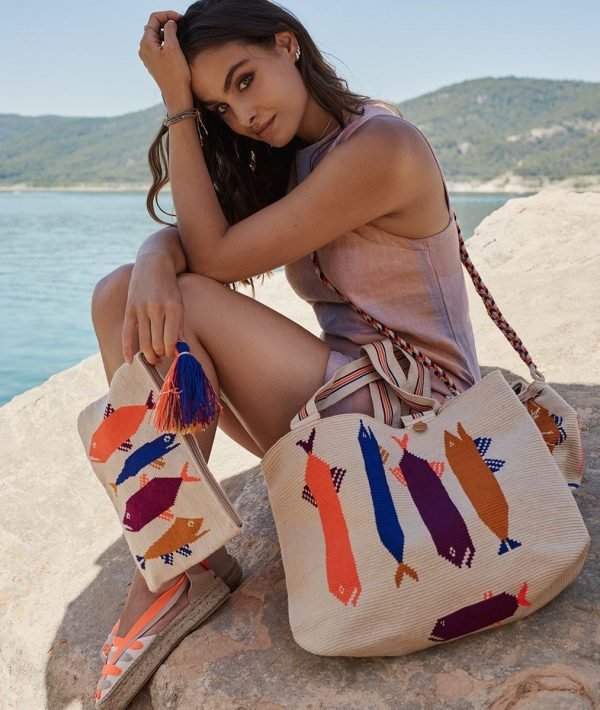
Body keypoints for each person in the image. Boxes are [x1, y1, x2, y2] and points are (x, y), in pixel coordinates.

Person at [90, 0, 481, 704]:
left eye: (244, 81)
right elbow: (202, 249)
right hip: (350, 408)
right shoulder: (301, 156)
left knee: (189, 301)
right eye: (218, 107)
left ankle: (172, 566)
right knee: (117, 295)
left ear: (287, 45)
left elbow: (208, 259)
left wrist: (175, 104)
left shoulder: (379, 146)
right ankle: (181, 556)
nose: (242, 117)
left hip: (422, 421)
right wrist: (152, 254)